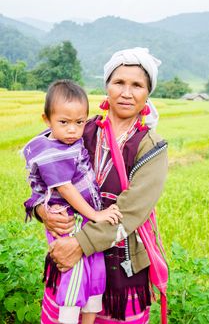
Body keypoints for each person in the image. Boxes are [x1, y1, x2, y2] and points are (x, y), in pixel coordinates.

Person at [35, 47, 168, 324]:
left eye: (137, 85)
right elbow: (44, 171)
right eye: (119, 82)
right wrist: (40, 210)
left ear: (147, 93)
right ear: (107, 86)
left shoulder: (151, 147)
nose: (127, 92)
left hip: (121, 268)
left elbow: (132, 210)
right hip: (72, 265)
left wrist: (79, 245)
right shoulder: (79, 129)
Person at [23, 80, 122, 324]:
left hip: (84, 217)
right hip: (69, 217)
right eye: (63, 122)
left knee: (95, 273)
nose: (72, 130)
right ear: (46, 120)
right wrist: (96, 214)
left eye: (79, 123)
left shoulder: (72, 140)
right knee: (75, 273)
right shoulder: (49, 150)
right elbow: (65, 188)